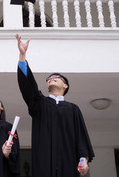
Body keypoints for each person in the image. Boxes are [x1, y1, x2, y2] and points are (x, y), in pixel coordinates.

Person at [15, 34, 95, 177]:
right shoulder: (40, 104)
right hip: (44, 165)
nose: (51, 78)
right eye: (49, 79)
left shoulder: (73, 109)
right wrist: (22, 56)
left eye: (56, 77)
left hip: (68, 165)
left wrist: (83, 159)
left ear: (65, 85)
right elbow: (29, 87)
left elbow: (80, 137)